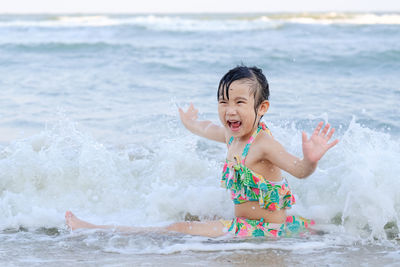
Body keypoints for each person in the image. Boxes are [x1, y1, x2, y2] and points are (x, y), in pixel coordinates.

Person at [66, 65, 339, 238]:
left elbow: (299, 171)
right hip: (251, 227)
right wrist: (190, 123)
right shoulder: (232, 135)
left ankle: (93, 229)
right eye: (223, 101)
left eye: (240, 102)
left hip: (265, 230)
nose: (230, 109)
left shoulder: (262, 143)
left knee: (176, 229)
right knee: (195, 219)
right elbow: (208, 128)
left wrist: (311, 159)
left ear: (262, 108)